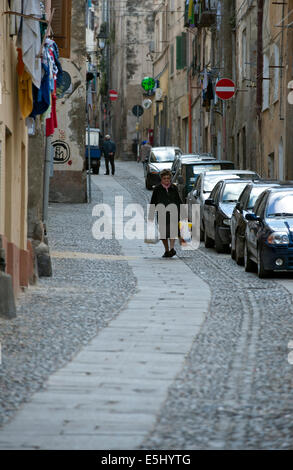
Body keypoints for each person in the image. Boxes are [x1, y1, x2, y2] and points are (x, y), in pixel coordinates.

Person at [148, 169, 183, 258]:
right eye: (164, 179)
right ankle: (166, 250)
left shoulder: (174, 188)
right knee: (163, 233)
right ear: (161, 179)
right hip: (162, 213)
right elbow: (153, 202)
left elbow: (178, 200)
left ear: (170, 179)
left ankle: (171, 248)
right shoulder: (157, 189)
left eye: (168, 178)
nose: (166, 180)